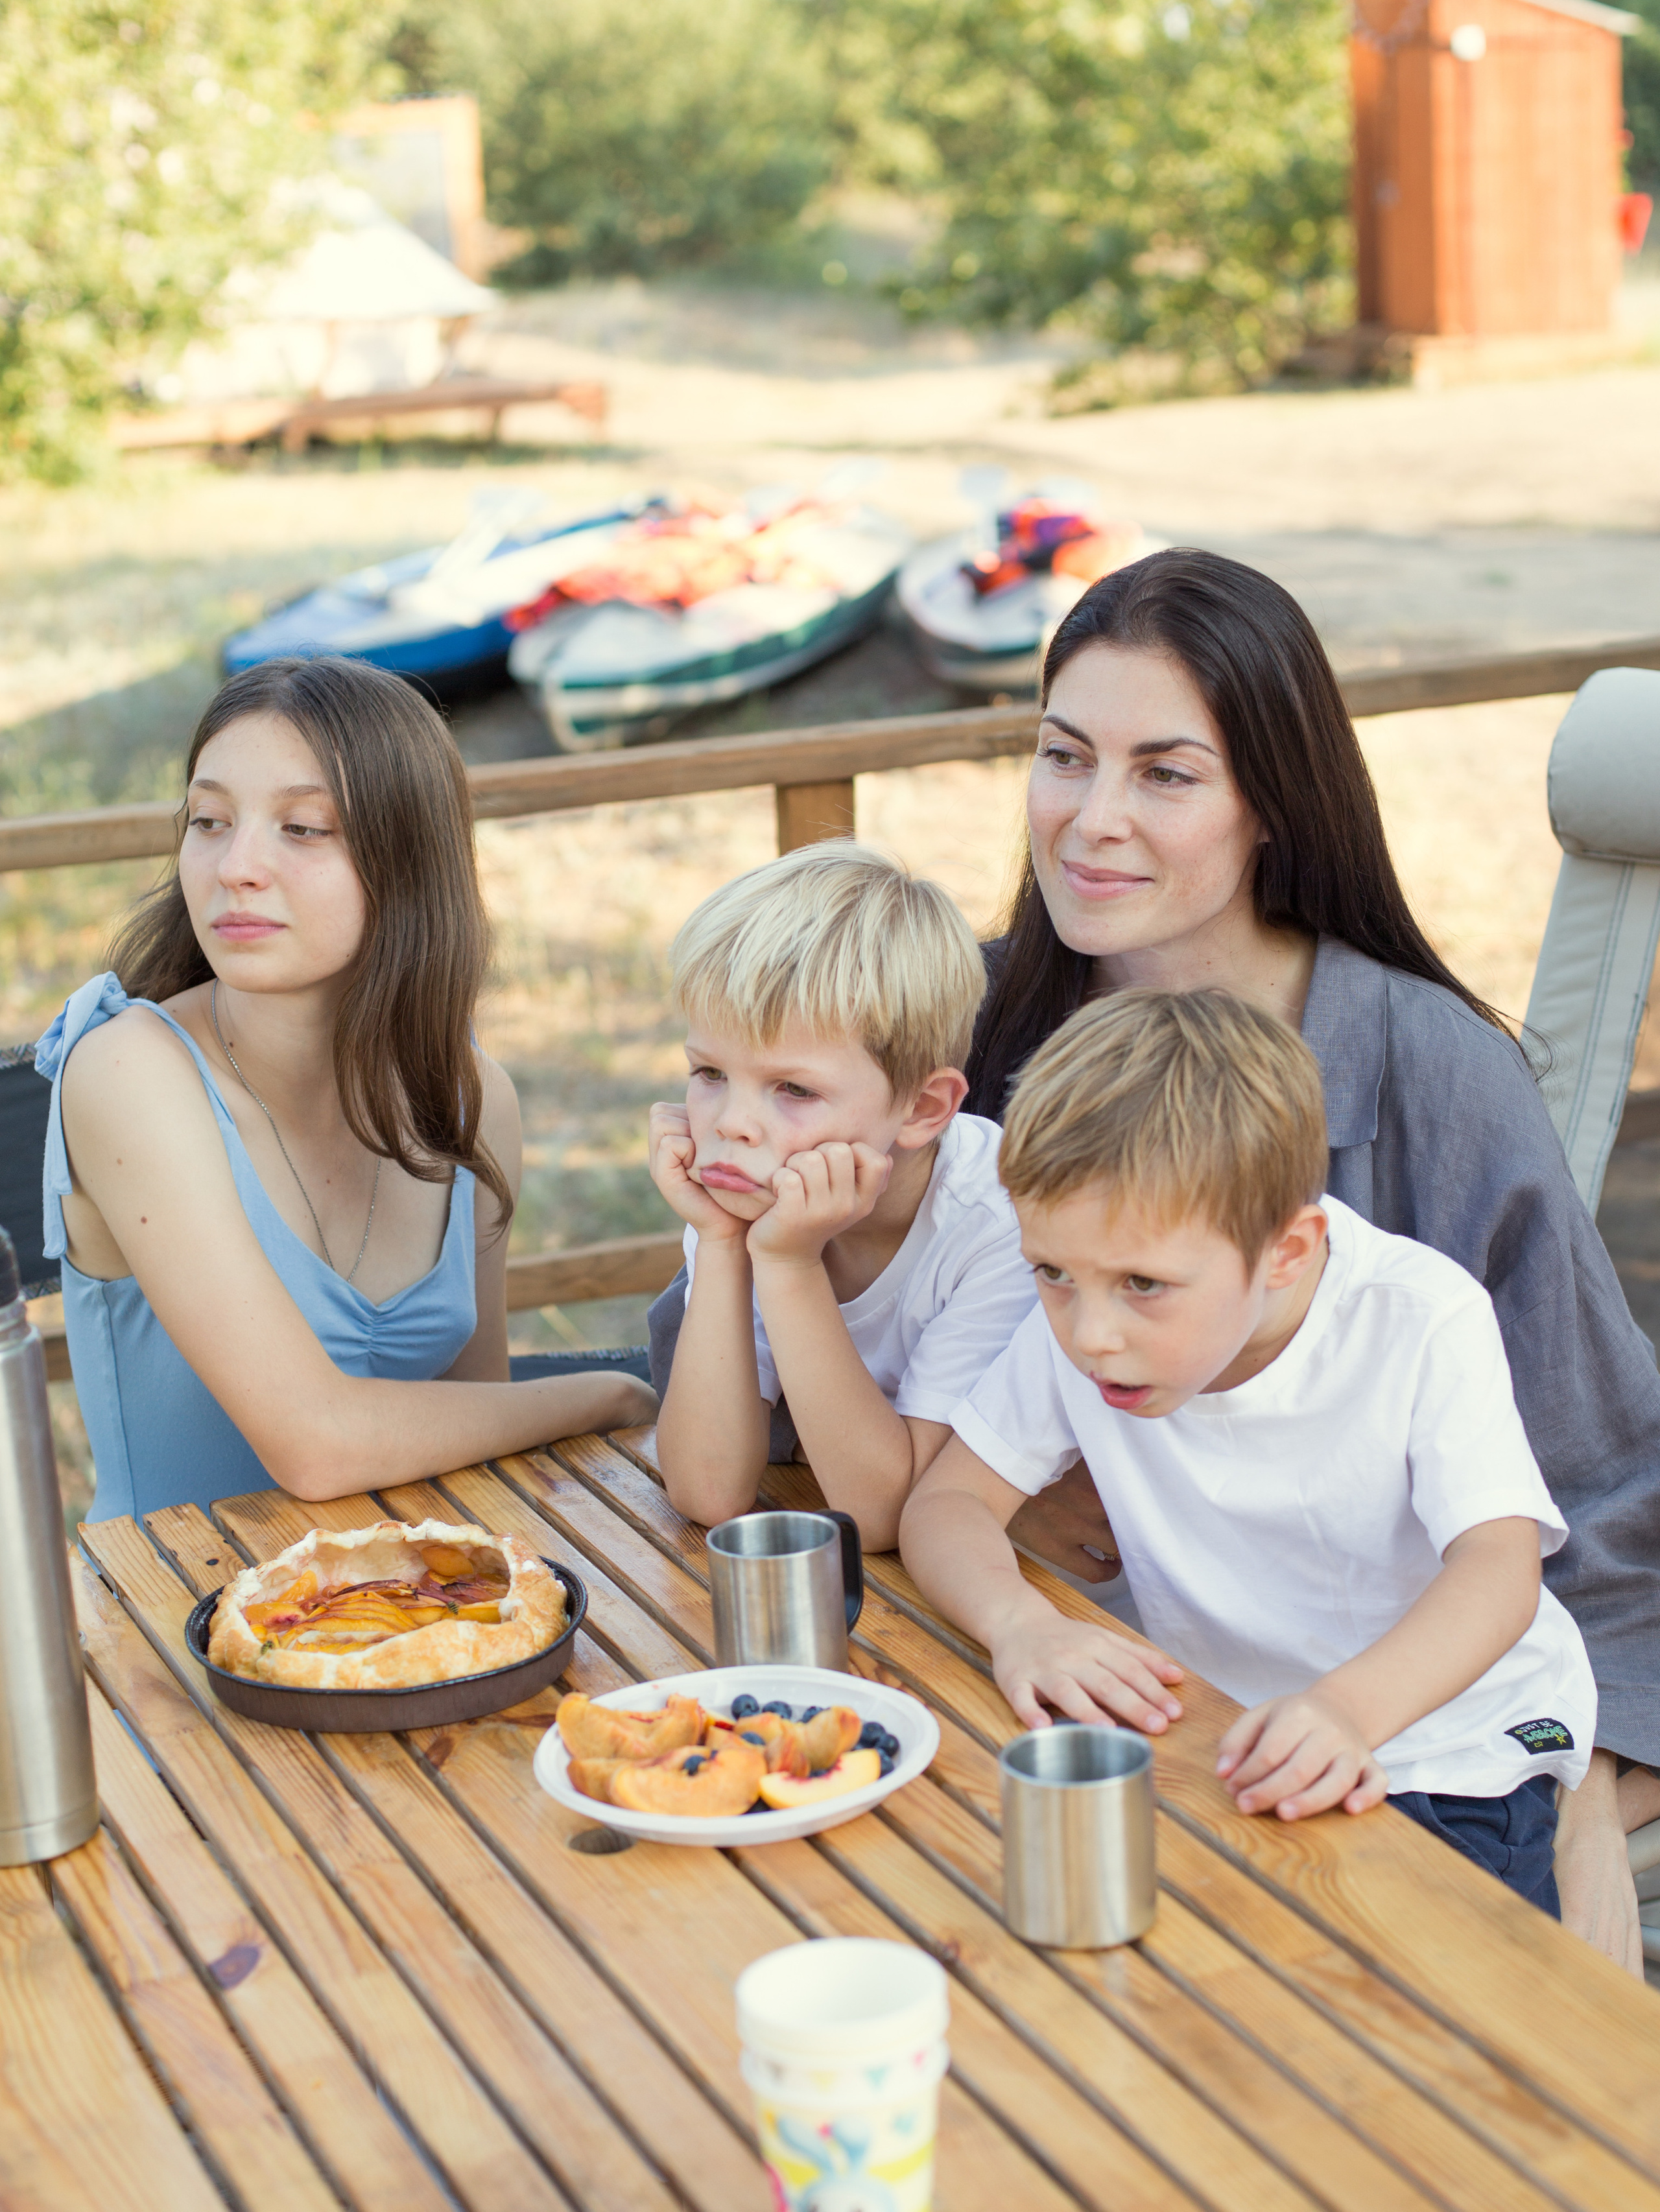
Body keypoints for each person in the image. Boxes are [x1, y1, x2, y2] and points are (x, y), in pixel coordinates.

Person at [959, 545, 1659, 1970]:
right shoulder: (966, 1026)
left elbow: (1599, 1483)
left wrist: (1576, 1791)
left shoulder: (1434, 1079)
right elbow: (804, 1367)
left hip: (1386, 1730)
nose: (1089, 821)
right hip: (1078, 1688)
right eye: (1061, 755)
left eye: (1165, 772)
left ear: (1269, 803)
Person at [903, 990, 1596, 1911]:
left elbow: (1499, 1571)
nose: (1091, 1333)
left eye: (1144, 1285)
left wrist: (1349, 1712)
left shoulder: (1420, 1319)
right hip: (1219, 1733)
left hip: (1440, 1746)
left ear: (1287, 1251)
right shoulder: (1086, 1310)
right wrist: (1019, 1625)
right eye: (1052, 1271)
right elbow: (948, 1506)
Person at [38, 655, 654, 1523]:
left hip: (407, 1608)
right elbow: (316, 1443)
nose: (236, 867)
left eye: (304, 828)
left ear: (406, 861)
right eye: (210, 820)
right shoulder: (131, 1072)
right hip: (173, 1630)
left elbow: (479, 1426)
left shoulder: (470, 1095)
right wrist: (615, 1397)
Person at [646, 842, 1036, 1548]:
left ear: (921, 1109)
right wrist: (722, 1242)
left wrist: (791, 1267)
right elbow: (706, 1490)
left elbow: (884, 1516)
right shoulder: (745, 1195)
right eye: (708, 1072)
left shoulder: (1003, 1222)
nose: (730, 1124)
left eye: (793, 1088)